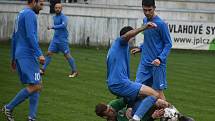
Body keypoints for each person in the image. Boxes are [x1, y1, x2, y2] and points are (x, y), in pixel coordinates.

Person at [106, 24, 169, 121]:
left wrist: (130, 107)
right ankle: (136, 118)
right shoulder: (120, 42)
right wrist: (144, 27)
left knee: (145, 96)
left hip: (117, 83)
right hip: (119, 83)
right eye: (133, 37)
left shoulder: (119, 48)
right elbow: (126, 36)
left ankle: (136, 112)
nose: (133, 39)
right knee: (154, 94)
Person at [1, 0, 45, 121]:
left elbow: (14, 36)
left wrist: (13, 57)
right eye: (40, 4)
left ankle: (32, 117)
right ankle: (8, 107)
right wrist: (39, 54)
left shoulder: (20, 14)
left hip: (20, 53)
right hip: (27, 54)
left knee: (35, 83)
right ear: (34, 2)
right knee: (37, 85)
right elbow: (31, 36)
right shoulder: (30, 14)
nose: (42, 7)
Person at [131, 0, 172, 100]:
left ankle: (173, 114)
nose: (147, 12)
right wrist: (140, 48)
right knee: (137, 88)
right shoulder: (145, 21)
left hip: (157, 64)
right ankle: (141, 114)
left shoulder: (161, 24)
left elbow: (168, 44)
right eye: (145, 10)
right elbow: (149, 40)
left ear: (154, 8)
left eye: (150, 10)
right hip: (145, 63)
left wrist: (159, 59)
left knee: (158, 94)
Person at [40, 3, 78, 78]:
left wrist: (53, 27)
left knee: (67, 55)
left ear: (61, 9)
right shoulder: (54, 17)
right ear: (54, 8)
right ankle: (42, 70)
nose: (57, 9)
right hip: (55, 39)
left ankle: (75, 71)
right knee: (49, 53)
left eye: (59, 8)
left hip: (62, 40)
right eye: (56, 8)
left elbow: (63, 25)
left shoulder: (64, 17)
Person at [95, 98, 195, 121]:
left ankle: (181, 117)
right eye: (109, 111)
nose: (112, 110)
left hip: (140, 108)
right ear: (105, 116)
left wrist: (129, 107)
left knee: (159, 102)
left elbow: (130, 96)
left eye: (110, 108)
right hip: (145, 118)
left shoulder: (114, 105)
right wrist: (152, 117)